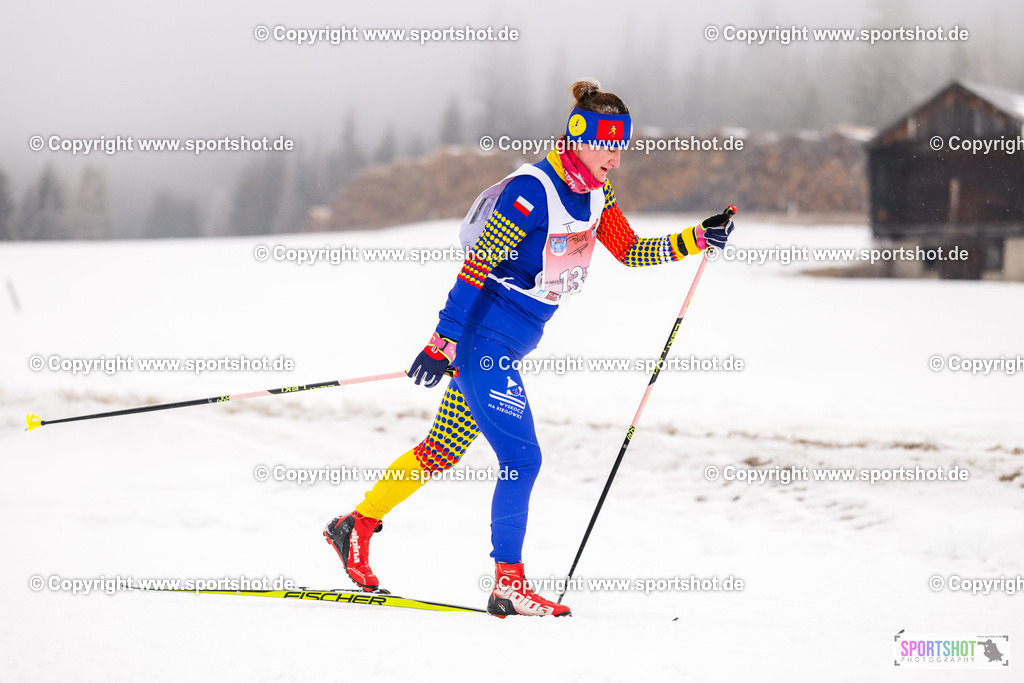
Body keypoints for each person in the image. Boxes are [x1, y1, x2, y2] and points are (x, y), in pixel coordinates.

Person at [325, 78, 735, 618]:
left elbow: (632, 252)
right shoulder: (532, 191)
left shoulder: (595, 193)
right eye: (606, 145)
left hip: (510, 344)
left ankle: (355, 525)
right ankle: (508, 585)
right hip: (485, 340)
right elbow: (479, 266)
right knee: (522, 457)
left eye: (621, 147)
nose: (614, 158)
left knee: (441, 450)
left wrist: (698, 238)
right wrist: (442, 339)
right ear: (578, 137)